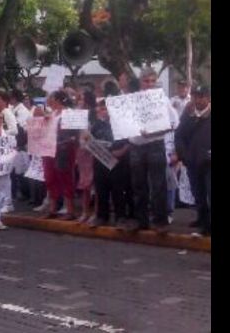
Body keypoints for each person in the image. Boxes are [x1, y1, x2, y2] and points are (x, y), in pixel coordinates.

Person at [125, 67, 179, 234]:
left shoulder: (162, 98)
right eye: (146, 81)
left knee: (158, 185)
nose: (149, 84)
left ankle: (160, 222)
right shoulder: (130, 100)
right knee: (138, 185)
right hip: (136, 147)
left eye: (152, 81)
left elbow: (174, 122)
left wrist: (156, 131)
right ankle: (141, 221)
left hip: (156, 144)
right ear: (140, 81)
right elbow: (123, 123)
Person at [88, 99, 131, 228]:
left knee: (118, 190)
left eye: (105, 109)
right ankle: (102, 217)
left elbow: (130, 141)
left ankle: (120, 217)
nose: (103, 112)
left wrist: (122, 151)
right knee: (101, 190)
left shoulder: (121, 124)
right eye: (101, 109)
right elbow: (88, 141)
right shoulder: (96, 125)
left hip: (117, 162)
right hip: (100, 161)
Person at [175, 85, 211, 237]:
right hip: (193, 162)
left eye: (201, 96)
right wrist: (184, 156)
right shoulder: (188, 114)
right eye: (195, 96)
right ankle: (202, 219)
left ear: (208, 98)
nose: (198, 100)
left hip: (209, 163)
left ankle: (208, 227)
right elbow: (179, 135)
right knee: (198, 194)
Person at [42, 90, 79, 220]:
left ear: (57, 100)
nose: (49, 101)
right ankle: (53, 209)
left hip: (63, 150)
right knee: (50, 178)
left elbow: (74, 135)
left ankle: (70, 211)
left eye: (51, 98)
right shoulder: (52, 114)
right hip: (49, 150)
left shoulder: (69, 114)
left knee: (65, 177)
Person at [75, 91, 96, 223]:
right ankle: (85, 211)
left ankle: (96, 212)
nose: (80, 101)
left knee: (95, 183)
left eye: (82, 99)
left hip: (94, 151)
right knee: (84, 183)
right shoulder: (78, 114)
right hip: (82, 151)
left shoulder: (94, 115)